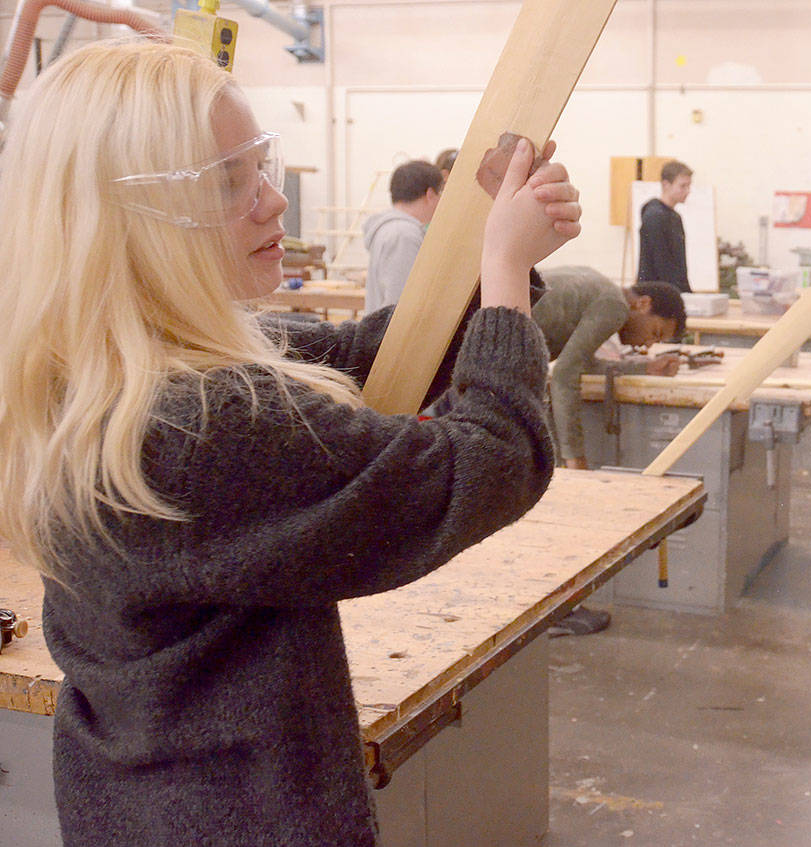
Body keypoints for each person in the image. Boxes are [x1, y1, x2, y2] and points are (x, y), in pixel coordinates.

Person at [0, 40, 582, 847]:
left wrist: (483, 258)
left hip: (135, 799)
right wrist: (507, 272)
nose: (272, 201)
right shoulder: (196, 426)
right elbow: (491, 459)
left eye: (258, 165)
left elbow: (353, 360)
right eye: (226, 181)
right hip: (244, 815)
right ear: (128, 217)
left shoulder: (94, 375)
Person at [530, 266, 684, 636]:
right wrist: (575, 460)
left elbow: (577, 363)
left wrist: (645, 366)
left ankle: (555, 608)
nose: (648, 343)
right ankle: (552, 612)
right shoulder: (614, 305)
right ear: (642, 304)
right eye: (655, 332)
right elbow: (566, 376)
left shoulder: (601, 290)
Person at [363, 159, 443, 312]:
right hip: (392, 333)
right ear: (430, 194)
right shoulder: (404, 234)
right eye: (440, 194)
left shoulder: (392, 229)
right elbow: (399, 302)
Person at [638, 159, 693, 292]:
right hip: (657, 294)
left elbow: (679, 264)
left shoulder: (675, 217)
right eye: (683, 186)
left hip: (673, 291)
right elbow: (661, 263)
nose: (688, 191)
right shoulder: (654, 216)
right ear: (666, 185)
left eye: (689, 186)